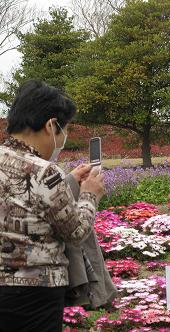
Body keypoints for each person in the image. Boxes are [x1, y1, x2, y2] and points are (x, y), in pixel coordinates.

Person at [0, 80, 105, 332]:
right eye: (63, 130)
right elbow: (76, 232)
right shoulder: (46, 172)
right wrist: (90, 195)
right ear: (50, 125)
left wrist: (67, 180)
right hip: (36, 294)